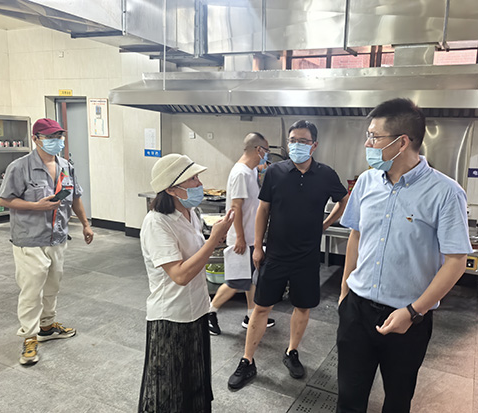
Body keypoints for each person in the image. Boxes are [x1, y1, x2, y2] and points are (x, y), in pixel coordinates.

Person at [336, 98, 472, 412]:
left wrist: (413, 312)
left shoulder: (445, 193)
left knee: (397, 401)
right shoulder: (366, 182)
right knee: (348, 399)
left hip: (409, 318)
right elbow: (356, 235)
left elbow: (456, 262)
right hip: (356, 311)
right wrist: (344, 293)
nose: (367, 144)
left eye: (374, 137)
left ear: (402, 142)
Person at [228, 120, 349, 390]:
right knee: (261, 306)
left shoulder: (326, 174)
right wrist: (258, 246)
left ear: (314, 145)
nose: (296, 145)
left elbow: (343, 200)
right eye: (292, 140)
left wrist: (326, 224)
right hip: (276, 254)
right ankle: (247, 360)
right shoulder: (275, 172)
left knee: (302, 307)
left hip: (307, 256)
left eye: (303, 141)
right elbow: (263, 210)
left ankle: (292, 351)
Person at [138, 153, 234, 413]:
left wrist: (218, 239)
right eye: (192, 179)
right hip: (171, 316)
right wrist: (213, 240)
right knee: (168, 391)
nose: (199, 183)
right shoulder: (156, 223)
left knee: (194, 382)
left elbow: (196, 256)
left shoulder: (191, 213)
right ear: (171, 189)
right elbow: (179, 275)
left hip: (197, 309)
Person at [0, 118, 94, 366]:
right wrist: (34, 206)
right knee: (32, 290)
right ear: (36, 139)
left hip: (57, 237)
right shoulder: (20, 167)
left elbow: (75, 197)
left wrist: (85, 224)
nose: (57, 141)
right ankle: (29, 337)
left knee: (52, 285)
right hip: (29, 239)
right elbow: (3, 199)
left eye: (59, 136)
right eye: (50, 137)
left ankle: (47, 327)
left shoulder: (66, 167)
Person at [208, 132, 276, 335]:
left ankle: (250, 315)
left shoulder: (250, 171)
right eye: (266, 151)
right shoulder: (240, 173)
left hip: (250, 237)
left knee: (251, 279)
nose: (267, 155)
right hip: (242, 239)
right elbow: (236, 207)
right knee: (236, 282)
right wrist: (239, 238)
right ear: (259, 150)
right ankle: (209, 313)